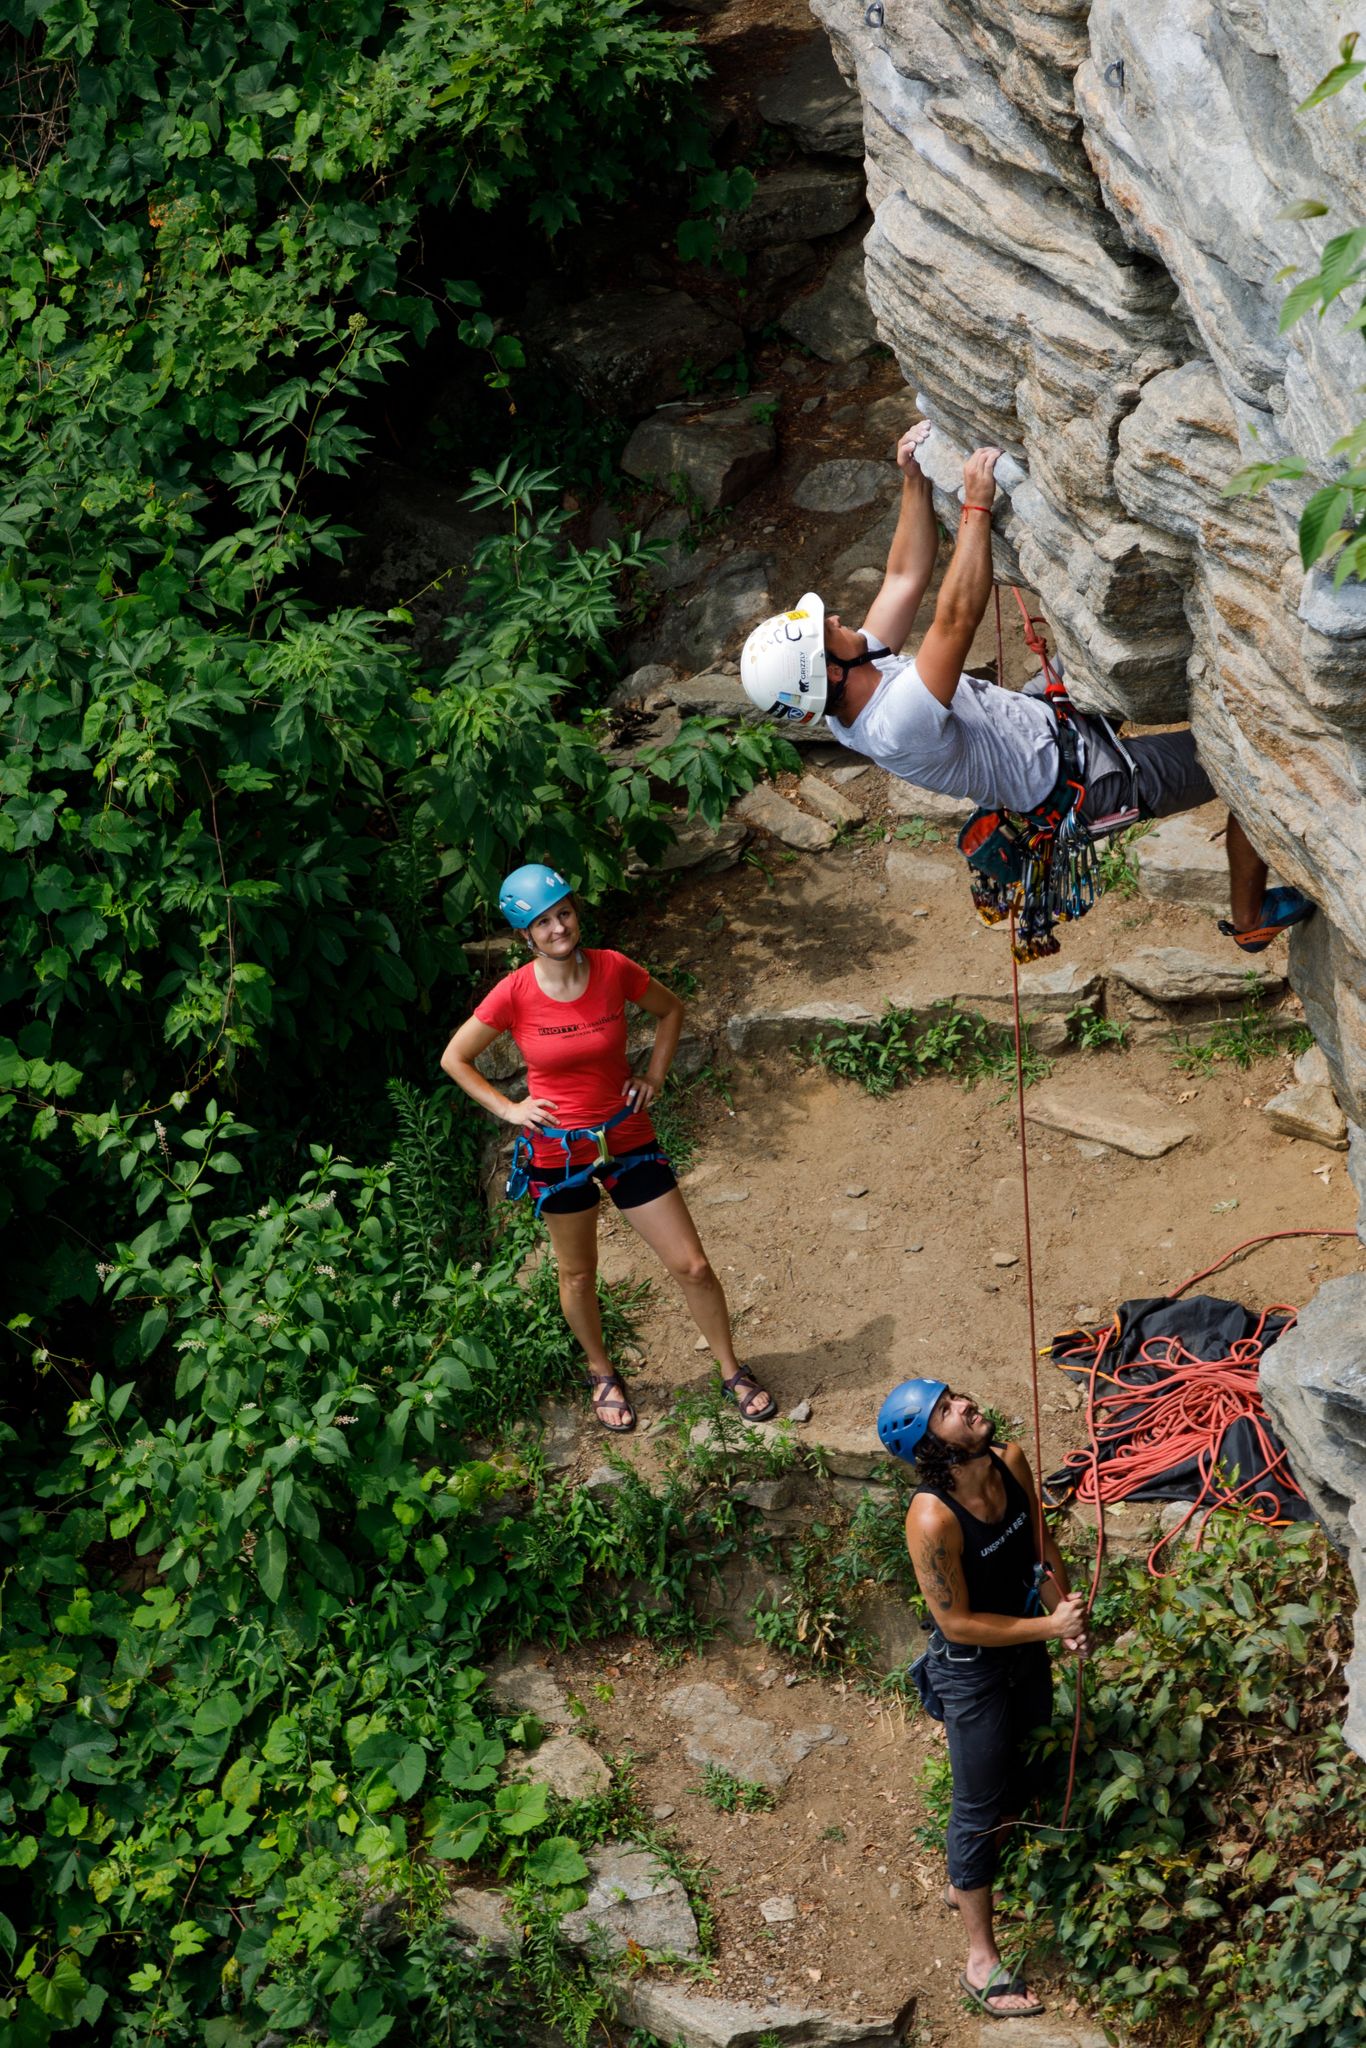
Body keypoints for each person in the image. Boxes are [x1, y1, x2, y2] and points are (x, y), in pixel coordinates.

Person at [739, 423, 1313, 953]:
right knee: (1248, 767)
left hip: (1044, 718)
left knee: (1105, 621)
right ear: (828, 674)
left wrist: (912, 479)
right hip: (1090, 782)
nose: (836, 619)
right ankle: (1248, 921)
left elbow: (904, 577)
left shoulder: (860, 671)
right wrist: (975, 507)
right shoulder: (893, 724)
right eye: (824, 632)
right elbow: (955, 620)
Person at [441, 863, 776, 1435]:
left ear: (576, 911)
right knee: (577, 1274)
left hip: (627, 1137)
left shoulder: (613, 968)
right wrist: (510, 1108)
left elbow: (671, 1010)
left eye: (563, 913)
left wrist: (655, 1077)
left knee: (692, 1265)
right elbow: (455, 1058)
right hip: (558, 1152)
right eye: (542, 922)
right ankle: (602, 1373)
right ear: (525, 935)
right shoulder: (514, 993)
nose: (557, 928)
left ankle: (731, 1370)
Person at [877, 1376, 1088, 2021]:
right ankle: (979, 1960)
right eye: (944, 1410)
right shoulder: (932, 1517)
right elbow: (957, 1623)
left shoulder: (1012, 1460)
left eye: (954, 1395)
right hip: (971, 1667)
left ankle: (974, 1878)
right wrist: (1050, 1628)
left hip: (1024, 1642)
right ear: (931, 1449)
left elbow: (1040, 1549)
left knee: (1025, 1761)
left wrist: (1065, 1612)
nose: (964, 1404)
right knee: (976, 1803)